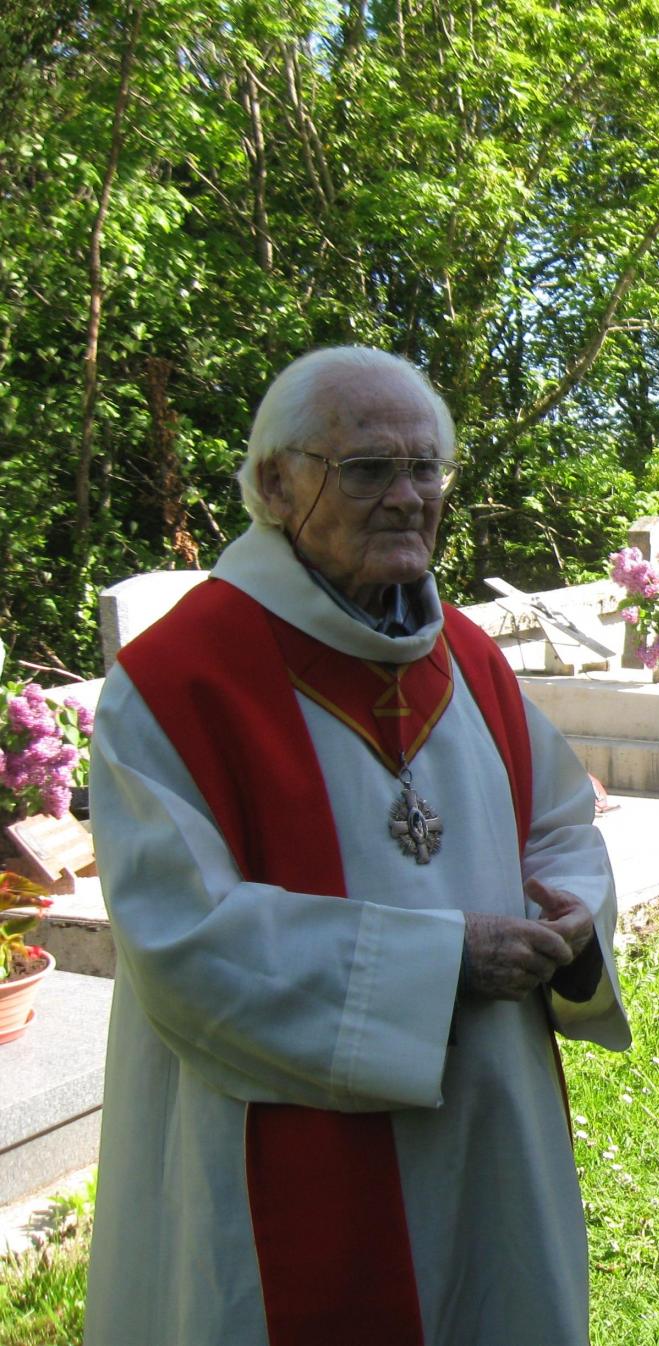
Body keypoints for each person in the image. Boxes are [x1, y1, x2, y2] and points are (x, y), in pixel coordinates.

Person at [84, 347, 630, 1346]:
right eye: (369, 468)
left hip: (488, 1119)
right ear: (275, 484)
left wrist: (571, 909)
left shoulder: (465, 656)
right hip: (283, 1151)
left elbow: (560, 819)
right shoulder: (177, 686)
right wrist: (442, 960)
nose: (408, 497)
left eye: (426, 469)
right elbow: (182, 939)